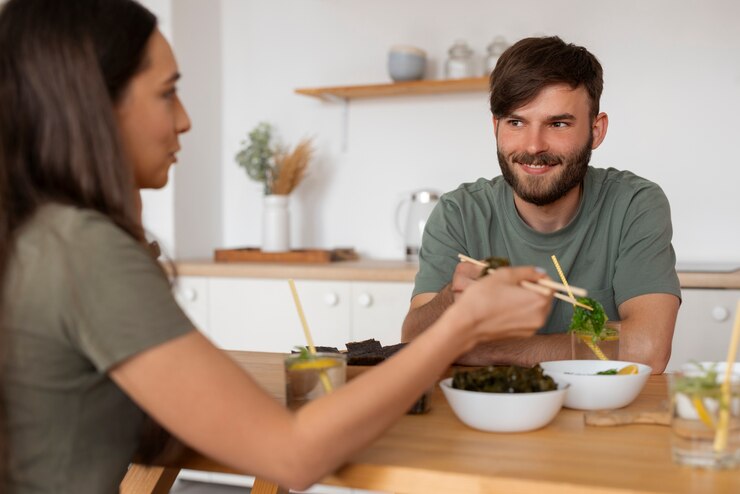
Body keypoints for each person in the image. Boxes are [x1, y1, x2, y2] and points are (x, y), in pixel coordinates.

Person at [0, 1, 555, 492]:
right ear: (92, 104)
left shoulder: (41, 233)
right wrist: (463, 323)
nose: (186, 119)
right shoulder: (83, 251)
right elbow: (293, 454)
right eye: (167, 93)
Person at [401, 36, 681, 374]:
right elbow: (413, 342)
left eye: (558, 124)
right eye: (516, 122)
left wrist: (492, 351)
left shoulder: (634, 204)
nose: (533, 146)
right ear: (496, 127)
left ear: (596, 130)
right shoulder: (459, 212)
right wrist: (451, 299)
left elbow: (647, 348)